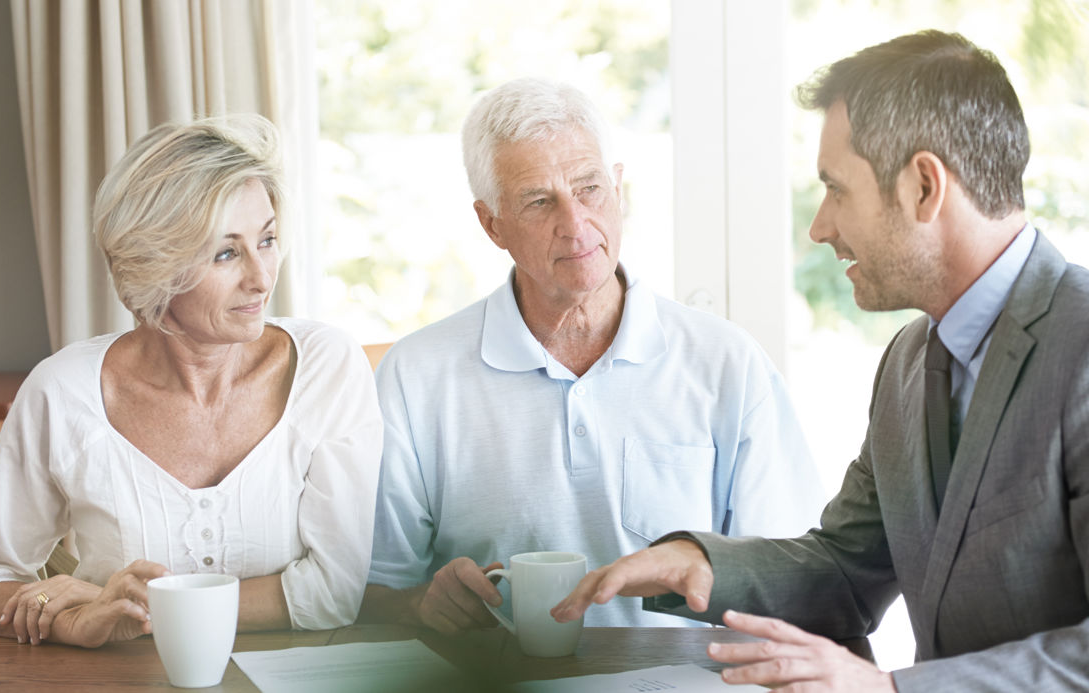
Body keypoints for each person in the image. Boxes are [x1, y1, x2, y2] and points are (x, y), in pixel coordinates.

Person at [552, 29, 1089, 690]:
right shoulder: (909, 362)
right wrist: (699, 563)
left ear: (924, 186)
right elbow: (846, 567)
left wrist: (887, 687)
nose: (820, 226)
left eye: (837, 190)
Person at [359, 77, 825, 631]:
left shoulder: (728, 363)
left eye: (589, 188)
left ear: (618, 187)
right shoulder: (415, 376)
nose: (576, 225)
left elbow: (793, 580)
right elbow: (372, 595)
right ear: (491, 224)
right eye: (539, 201)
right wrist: (420, 606)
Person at [0, 115, 383, 648]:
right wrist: (68, 615)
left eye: (267, 240)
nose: (261, 278)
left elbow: (333, 593)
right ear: (153, 266)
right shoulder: (61, 392)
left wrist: (153, 606)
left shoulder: (326, 366)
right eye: (226, 252)